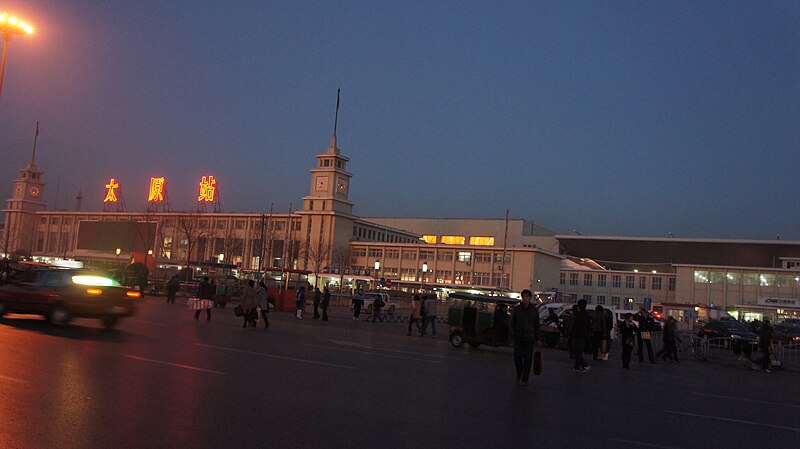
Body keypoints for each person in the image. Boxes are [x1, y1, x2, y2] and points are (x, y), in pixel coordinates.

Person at [510, 289, 540, 385]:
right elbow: (512, 323)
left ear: (530, 298)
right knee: (517, 357)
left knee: (528, 359)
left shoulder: (534, 311)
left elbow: (537, 324)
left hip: (529, 337)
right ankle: (519, 371)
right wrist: (513, 334)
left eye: (527, 297)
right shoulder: (517, 309)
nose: (525, 298)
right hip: (518, 337)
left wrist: (537, 338)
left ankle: (525, 378)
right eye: (524, 297)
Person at [569, 299, 590, 372]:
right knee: (578, 351)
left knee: (576, 351)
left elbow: (575, 326)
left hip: (577, 335)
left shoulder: (579, 314)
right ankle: (576, 367)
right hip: (583, 335)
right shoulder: (586, 314)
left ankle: (585, 365)